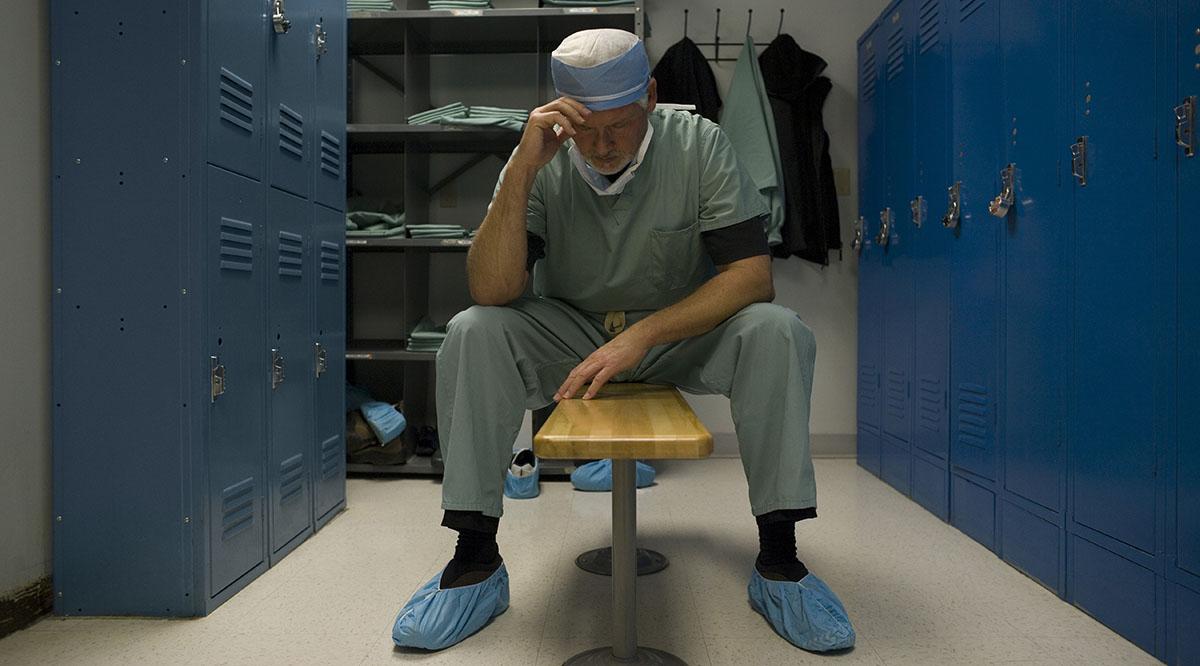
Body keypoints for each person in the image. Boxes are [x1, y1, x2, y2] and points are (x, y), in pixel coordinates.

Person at [391, 28, 855, 654]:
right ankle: (475, 561)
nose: (603, 146)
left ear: (652, 99)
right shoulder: (539, 159)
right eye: (585, 128)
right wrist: (524, 166)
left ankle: (779, 562)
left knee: (778, 331)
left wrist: (642, 335)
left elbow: (751, 276)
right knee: (473, 331)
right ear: (561, 116)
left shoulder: (700, 143)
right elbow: (491, 288)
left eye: (621, 126)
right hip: (572, 330)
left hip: (676, 331)